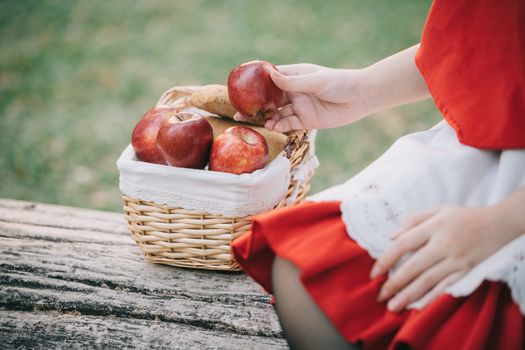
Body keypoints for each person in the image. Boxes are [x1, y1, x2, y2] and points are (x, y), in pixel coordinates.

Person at [231, 1, 525, 349]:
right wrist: (360, 89)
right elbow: (490, 37)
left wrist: (497, 224)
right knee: (309, 270)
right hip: (496, 136)